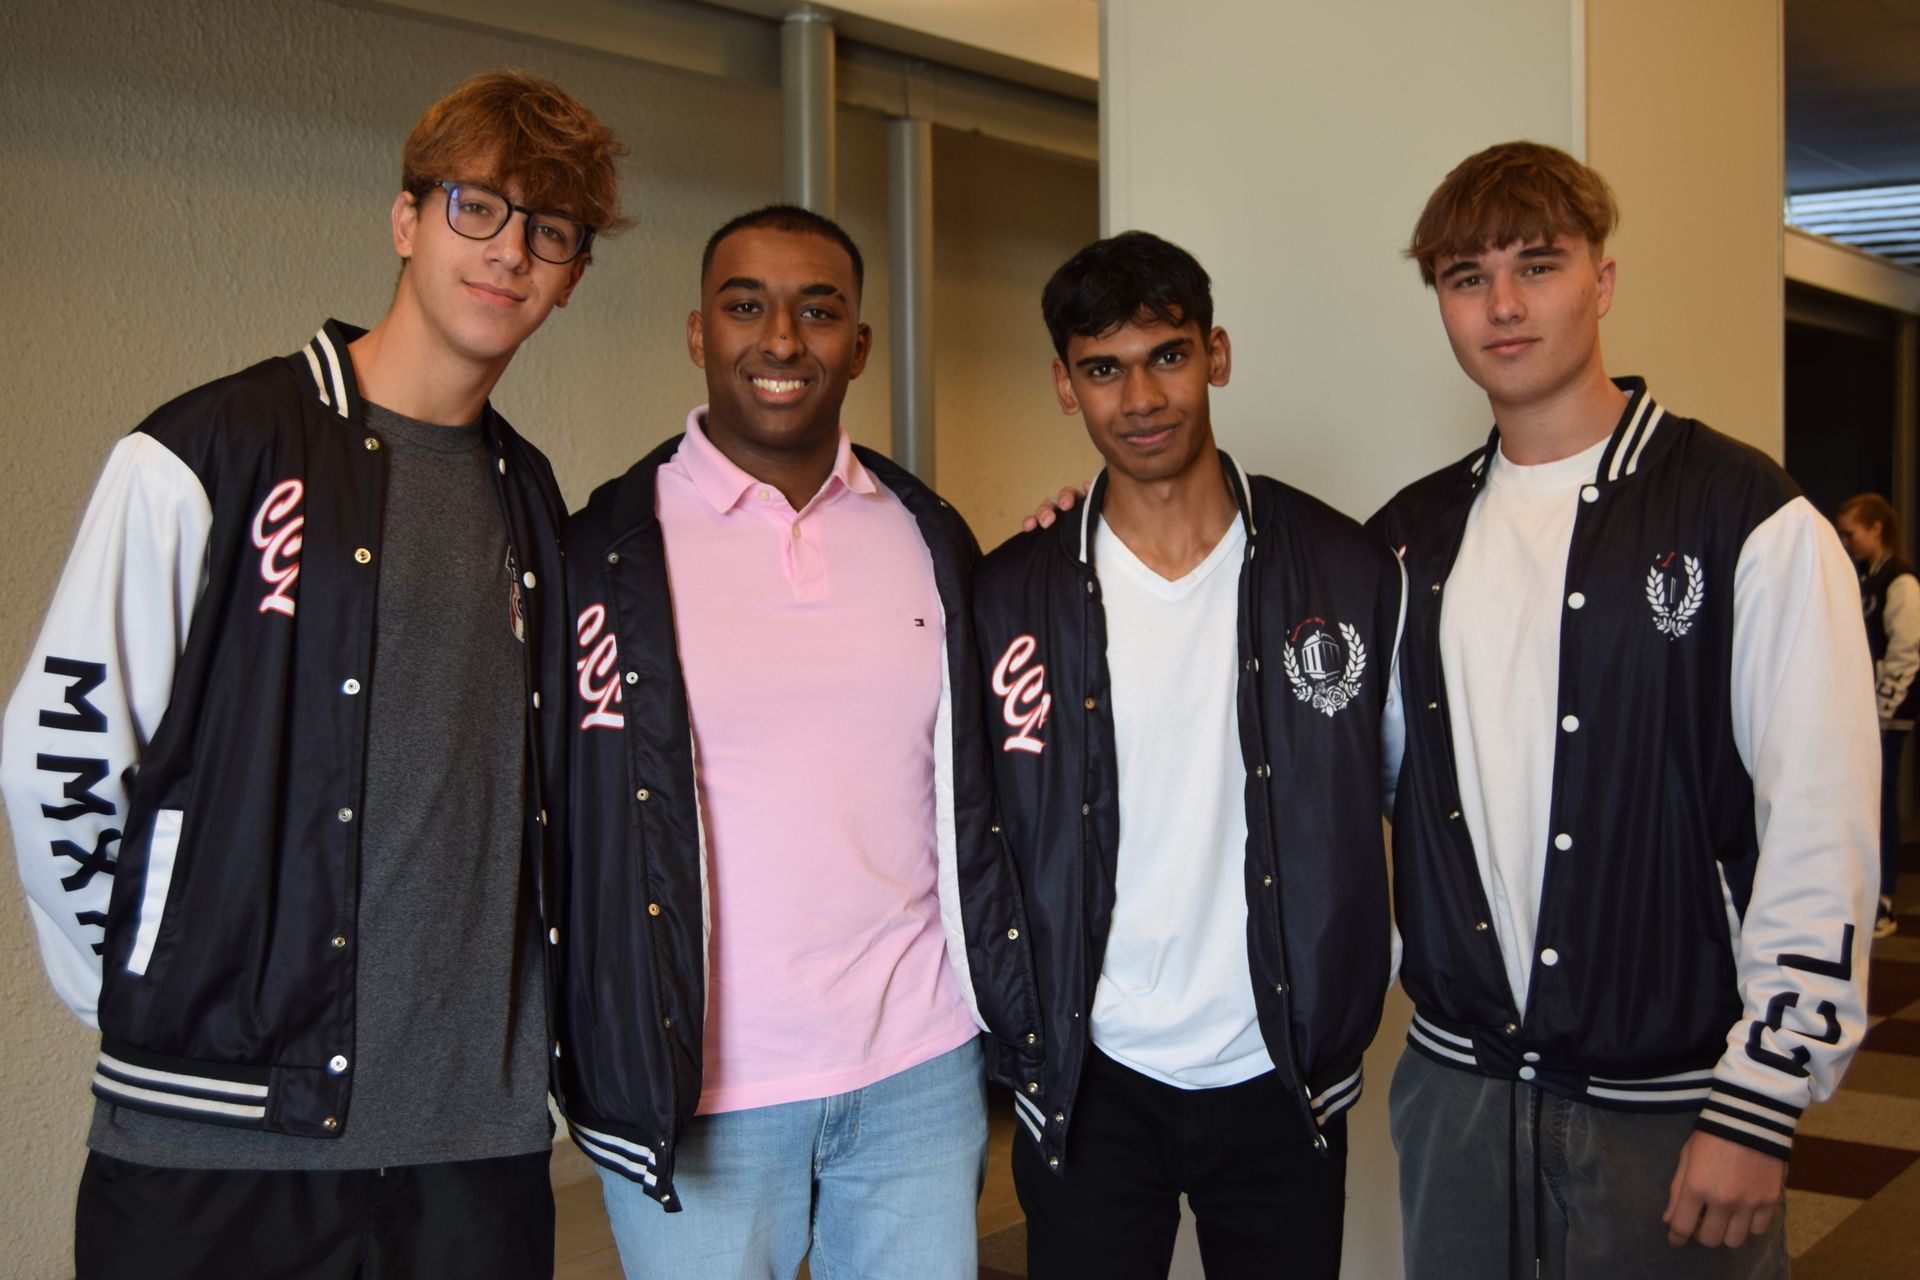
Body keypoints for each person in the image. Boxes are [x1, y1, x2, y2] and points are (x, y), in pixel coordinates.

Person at [1, 69, 626, 1278]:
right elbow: (59, 751)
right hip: (214, 1152)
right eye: (476, 208)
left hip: (471, 1150)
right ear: (405, 220)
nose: (508, 253)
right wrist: (151, 987)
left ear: (572, 274)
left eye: (549, 231)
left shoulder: (533, 497)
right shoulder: (211, 450)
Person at [1367, 141, 1879, 1278]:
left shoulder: (1747, 514)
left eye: (1537, 266)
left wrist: (1761, 1100)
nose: (1502, 305)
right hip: (1457, 1094)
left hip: (1682, 1100)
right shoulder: (1405, 541)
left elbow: (1823, 821)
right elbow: (1339, 781)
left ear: (1602, 282)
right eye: (1465, 278)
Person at [555, 205, 1041, 1279]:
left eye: (818, 310)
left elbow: (986, 781)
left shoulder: (929, 534)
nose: (781, 339)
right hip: (703, 1092)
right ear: (697, 332)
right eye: (746, 306)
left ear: (858, 343)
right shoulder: (604, 551)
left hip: (920, 1069)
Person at [971, 230, 1404, 1279]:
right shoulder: (1011, 592)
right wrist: (1018, 1027)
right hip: (1089, 1072)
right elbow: (972, 835)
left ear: (1215, 351)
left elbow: (1405, 801)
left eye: (1165, 354)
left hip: (1280, 1065)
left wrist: (1355, 994)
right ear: (1067, 387)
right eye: (1103, 368)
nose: (1140, 396)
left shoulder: (1346, 570)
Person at [1836, 492, 1916, 938]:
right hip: (1869, 711)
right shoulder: (1867, 577)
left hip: (1890, 714)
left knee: (1883, 801)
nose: (1847, 542)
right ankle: (1868, 892)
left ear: (1876, 529)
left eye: (1852, 533)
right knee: (1867, 799)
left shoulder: (1900, 580)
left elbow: (1907, 650)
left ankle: (1884, 897)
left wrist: (1883, 709)